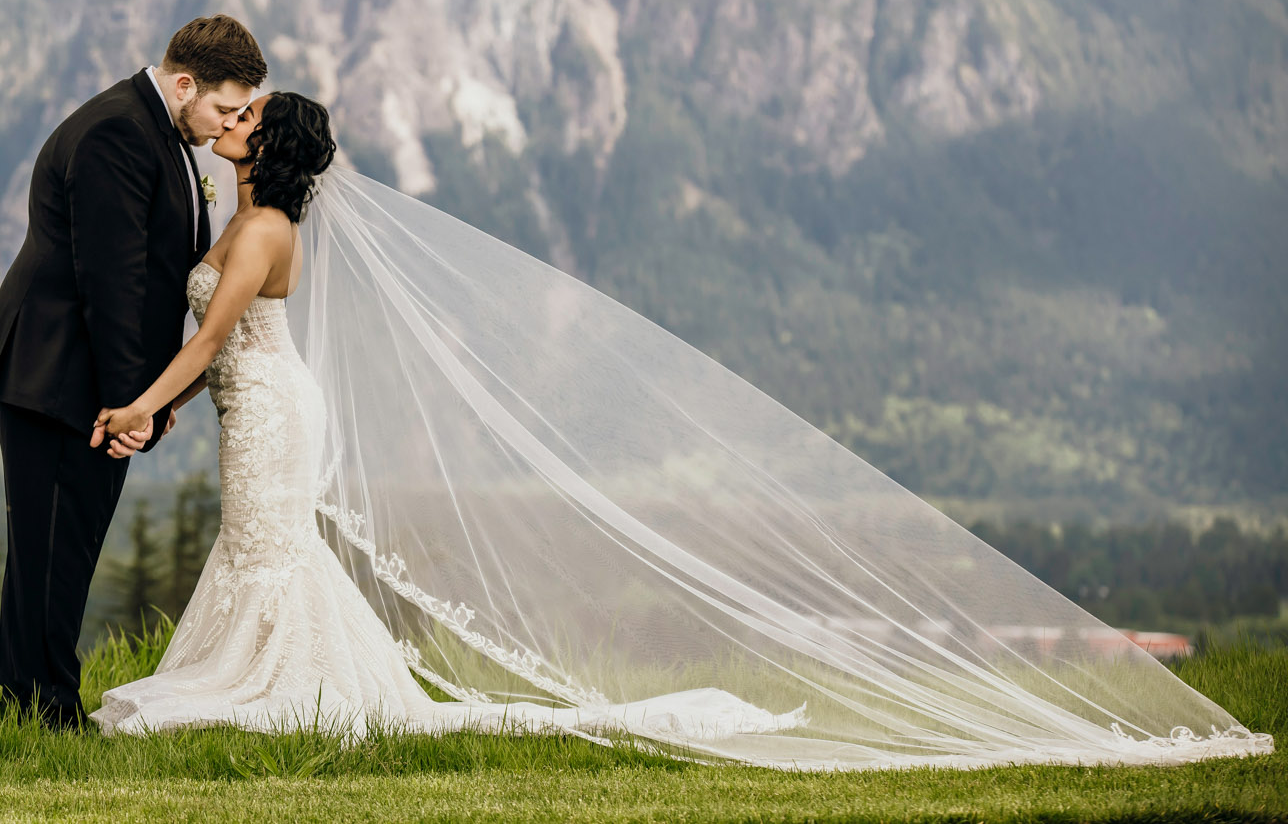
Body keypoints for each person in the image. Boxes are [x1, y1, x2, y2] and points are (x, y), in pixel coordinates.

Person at [85, 92, 1271, 768]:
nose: (230, 127)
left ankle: (281, 685)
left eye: (246, 125)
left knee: (269, 550)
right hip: (263, 401)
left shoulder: (254, 238)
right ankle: (281, 677)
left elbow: (205, 342)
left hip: (266, 408)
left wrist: (147, 401)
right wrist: (176, 398)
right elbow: (217, 349)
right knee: (263, 551)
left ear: (269, 152)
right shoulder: (266, 228)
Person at [0, 14, 266, 727]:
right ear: (186, 83)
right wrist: (129, 404)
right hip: (61, 373)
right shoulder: (117, 132)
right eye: (225, 107)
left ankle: (27, 701)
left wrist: (147, 397)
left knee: (55, 545)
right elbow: (113, 284)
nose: (228, 121)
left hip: (84, 373)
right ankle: (47, 709)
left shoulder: (155, 129)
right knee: (53, 548)